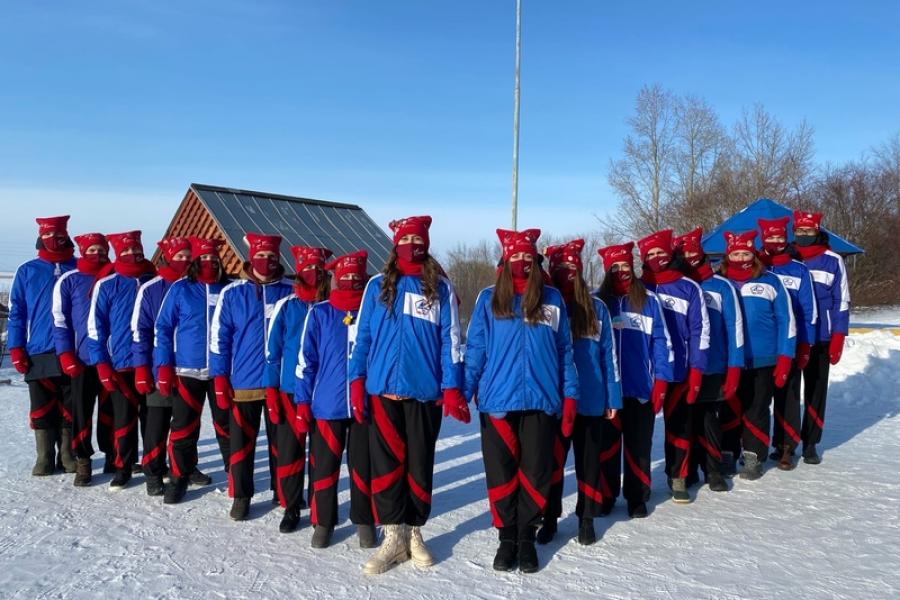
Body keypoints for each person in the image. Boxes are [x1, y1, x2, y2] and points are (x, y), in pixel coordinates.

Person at [348, 215, 466, 575]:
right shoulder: (377, 286)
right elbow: (362, 337)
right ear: (395, 244)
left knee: (419, 465)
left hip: (424, 394)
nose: (412, 244)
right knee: (385, 468)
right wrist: (356, 380)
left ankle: (415, 531)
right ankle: (393, 536)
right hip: (383, 393)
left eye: (418, 239)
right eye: (406, 238)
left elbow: (452, 341)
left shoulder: (440, 289)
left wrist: (451, 387)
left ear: (426, 244)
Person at [465, 228, 578, 573]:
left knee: (535, 472)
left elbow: (565, 351)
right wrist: (462, 389)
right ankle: (506, 538)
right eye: (516, 256)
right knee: (501, 473)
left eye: (529, 257)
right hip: (498, 401)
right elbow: (476, 349)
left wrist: (570, 396)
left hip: (542, 400)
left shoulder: (553, 299)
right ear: (504, 260)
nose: (523, 262)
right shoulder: (488, 299)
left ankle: (526, 537)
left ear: (536, 261)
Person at [537, 239, 621, 546]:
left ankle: (586, 518)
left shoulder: (597, 307)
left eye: (573, 268)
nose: (568, 273)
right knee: (552, 465)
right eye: (561, 268)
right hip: (556, 401)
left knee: (589, 464)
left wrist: (613, 397)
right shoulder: (547, 305)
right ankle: (549, 519)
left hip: (592, 401)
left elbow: (609, 356)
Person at [296, 250, 376, 550]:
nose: (352, 280)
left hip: (363, 406)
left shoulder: (373, 311)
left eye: (358, 276)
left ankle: (365, 520)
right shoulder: (319, 313)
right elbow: (306, 362)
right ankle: (324, 521)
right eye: (346, 276)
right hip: (327, 406)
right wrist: (302, 403)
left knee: (362, 467)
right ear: (336, 279)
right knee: (324, 466)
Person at [210, 233, 292, 520]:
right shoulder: (232, 294)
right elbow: (219, 338)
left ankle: (282, 490)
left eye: (271, 256)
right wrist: (219, 376)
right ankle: (241, 495)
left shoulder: (290, 293)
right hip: (242, 381)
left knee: (281, 442)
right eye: (261, 255)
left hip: (278, 383)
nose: (266, 261)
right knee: (241, 444)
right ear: (251, 257)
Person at [596, 242, 674, 518]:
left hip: (641, 386)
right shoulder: (597, 302)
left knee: (638, 445)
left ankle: (637, 496)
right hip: (607, 391)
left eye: (625, 266)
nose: (620, 271)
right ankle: (605, 494)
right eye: (614, 267)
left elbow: (661, 342)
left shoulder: (649, 301)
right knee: (606, 447)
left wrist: (662, 381)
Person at [154, 236, 232, 504]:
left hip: (223, 371)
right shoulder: (181, 289)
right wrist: (163, 365)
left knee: (227, 426)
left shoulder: (230, 289)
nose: (209, 263)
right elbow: (163, 328)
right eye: (204, 259)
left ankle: (235, 474)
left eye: (214, 259)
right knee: (184, 427)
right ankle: (178, 478)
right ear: (195, 262)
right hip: (187, 369)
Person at [637, 229, 709, 503]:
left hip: (679, 370)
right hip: (644, 373)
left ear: (671, 254)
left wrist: (696, 369)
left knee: (679, 426)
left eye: (660, 253)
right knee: (640, 433)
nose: (656, 258)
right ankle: (639, 484)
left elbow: (700, 331)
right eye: (650, 254)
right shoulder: (638, 286)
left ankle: (677, 475)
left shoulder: (689, 287)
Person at [265, 245, 332, 533]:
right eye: (308, 269)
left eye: (319, 269)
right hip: (290, 389)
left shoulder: (332, 305)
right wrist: (271, 390)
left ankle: (319, 507)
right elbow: (272, 352)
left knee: (320, 454)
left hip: (324, 391)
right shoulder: (287, 306)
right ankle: (291, 505)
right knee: (290, 450)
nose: (313, 274)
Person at [719, 230, 795, 480]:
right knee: (729, 409)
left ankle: (754, 455)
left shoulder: (770, 281)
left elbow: (787, 319)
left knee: (757, 408)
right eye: (736, 253)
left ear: (754, 254)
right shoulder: (719, 281)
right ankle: (728, 453)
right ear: (727, 255)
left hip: (763, 358)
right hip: (728, 360)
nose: (741, 257)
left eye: (746, 253)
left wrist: (785, 356)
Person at [674, 228, 744, 490]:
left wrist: (734, 366)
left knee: (710, 420)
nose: (689, 256)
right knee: (685, 420)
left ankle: (713, 469)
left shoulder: (721, 285)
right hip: (683, 367)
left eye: (693, 250)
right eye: (683, 252)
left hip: (714, 365)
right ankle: (688, 468)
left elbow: (734, 327)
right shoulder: (676, 286)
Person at [87, 230, 157, 490]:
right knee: (124, 419)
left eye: (136, 250)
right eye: (126, 251)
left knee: (153, 419)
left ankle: (153, 464)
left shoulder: (154, 280)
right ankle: (123, 467)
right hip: (120, 363)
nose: (133, 255)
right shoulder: (107, 285)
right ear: (118, 254)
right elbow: (96, 327)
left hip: (151, 362)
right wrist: (102, 363)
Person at [130, 237, 200, 497]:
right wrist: (142, 368)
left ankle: (185, 467)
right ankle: (153, 470)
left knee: (187, 422)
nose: (184, 261)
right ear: (168, 256)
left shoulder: (197, 286)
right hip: (160, 365)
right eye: (179, 256)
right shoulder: (152, 288)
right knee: (157, 421)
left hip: (189, 368)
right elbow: (141, 331)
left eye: (188, 256)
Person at [10, 215, 78, 476]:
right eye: (48, 236)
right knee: (41, 404)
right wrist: (16, 347)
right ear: (40, 237)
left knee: (70, 404)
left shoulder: (78, 267)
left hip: (72, 350)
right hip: (38, 349)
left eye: (58, 235)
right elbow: (18, 312)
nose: (54, 240)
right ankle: (45, 455)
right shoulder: (28, 270)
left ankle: (67, 454)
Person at [52, 232, 115, 486]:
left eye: (101, 250)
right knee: (82, 412)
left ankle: (113, 454)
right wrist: (65, 353)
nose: (97, 255)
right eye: (92, 250)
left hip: (112, 359)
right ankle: (83, 460)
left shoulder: (114, 277)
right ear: (82, 251)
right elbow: (60, 320)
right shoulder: (70, 280)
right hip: (82, 359)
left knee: (112, 411)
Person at [757, 217, 817, 469]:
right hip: (760, 346)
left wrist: (805, 344)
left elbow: (808, 309)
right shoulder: (756, 267)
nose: (775, 242)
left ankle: (786, 447)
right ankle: (754, 447)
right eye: (770, 237)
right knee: (758, 399)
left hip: (789, 343)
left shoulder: (798, 269)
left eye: (780, 238)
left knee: (788, 396)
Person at [792, 210, 850, 464]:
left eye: (808, 231)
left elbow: (842, 300)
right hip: (792, 337)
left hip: (822, 336)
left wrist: (839, 335)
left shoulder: (832, 260)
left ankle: (810, 442)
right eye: (799, 231)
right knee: (789, 392)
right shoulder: (787, 258)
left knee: (815, 390)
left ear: (817, 231)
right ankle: (785, 441)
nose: (804, 235)